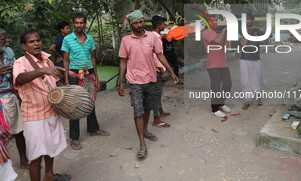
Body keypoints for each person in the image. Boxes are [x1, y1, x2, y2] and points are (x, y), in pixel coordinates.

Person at [118, 10, 179, 158]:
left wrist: (171, 71)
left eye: (140, 22)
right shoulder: (126, 40)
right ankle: (142, 144)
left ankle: (145, 131)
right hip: (135, 80)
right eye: (136, 23)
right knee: (138, 111)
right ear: (131, 24)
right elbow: (123, 61)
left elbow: (159, 54)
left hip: (151, 78)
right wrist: (121, 82)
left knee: (147, 109)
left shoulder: (152, 36)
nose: (139, 25)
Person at [13, 30, 71, 181]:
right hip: (34, 116)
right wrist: (43, 70)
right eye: (31, 42)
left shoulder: (47, 60)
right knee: (36, 157)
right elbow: (19, 78)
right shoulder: (21, 62)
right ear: (24, 46)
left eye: (38, 40)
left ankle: (49, 175)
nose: (36, 43)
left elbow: (55, 82)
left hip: (51, 111)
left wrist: (68, 90)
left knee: (50, 149)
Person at [62, 13, 109, 151]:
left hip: (89, 75)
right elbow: (66, 60)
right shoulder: (68, 39)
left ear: (85, 24)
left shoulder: (89, 39)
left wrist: (96, 77)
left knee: (90, 102)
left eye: (81, 23)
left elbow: (93, 58)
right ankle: (74, 138)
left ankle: (93, 129)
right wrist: (66, 79)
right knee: (74, 106)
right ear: (73, 24)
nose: (79, 25)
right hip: (74, 76)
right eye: (76, 23)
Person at [0, 27, 29, 169]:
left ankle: (23, 160)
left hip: (11, 95)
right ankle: (3, 166)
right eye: (3, 38)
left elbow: (17, 71)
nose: (7, 40)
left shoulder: (9, 52)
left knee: (19, 130)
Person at [239, 13, 272, 110]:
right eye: (248, 19)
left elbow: (270, 35)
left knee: (257, 78)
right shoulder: (240, 31)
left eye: (251, 19)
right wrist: (249, 32)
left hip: (256, 58)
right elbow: (244, 44)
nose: (250, 21)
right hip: (244, 59)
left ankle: (258, 98)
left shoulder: (257, 29)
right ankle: (247, 101)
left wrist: (257, 29)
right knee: (246, 80)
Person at [202, 18, 232, 118]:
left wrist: (227, 35)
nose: (214, 22)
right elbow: (217, 41)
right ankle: (214, 109)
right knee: (216, 88)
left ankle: (221, 103)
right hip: (213, 65)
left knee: (228, 84)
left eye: (215, 20)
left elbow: (227, 48)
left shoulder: (217, 34)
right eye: (212, 20)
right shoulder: (206, 33)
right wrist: (224, 31)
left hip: (223, 63)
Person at [151, 16, 171, 128]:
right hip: (156, 70)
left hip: (155, 69)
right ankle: (156, 119)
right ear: (159, 26)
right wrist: (163, 72)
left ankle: (161, 112)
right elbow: (155, 57)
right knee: (156, 94)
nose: (164, 26)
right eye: (163, 24)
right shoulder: (155, 38)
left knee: (157, 93)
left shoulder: (154, 36)